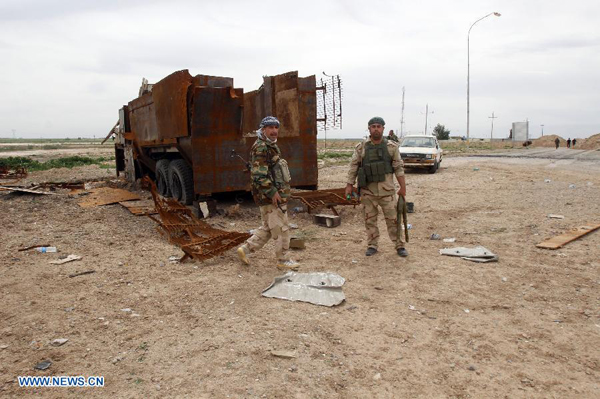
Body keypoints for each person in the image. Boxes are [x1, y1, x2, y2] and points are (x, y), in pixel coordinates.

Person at [237, 116, 299, 270]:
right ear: (263, 130)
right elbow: (258, 175)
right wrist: (272, 193)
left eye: (276, 127)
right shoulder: (261, 147)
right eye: (270, 128)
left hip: (270, 195)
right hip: (270, 197)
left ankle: (245, 249)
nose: (274, 131)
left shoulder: (269, 146)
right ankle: (283, 261)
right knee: (281, 228)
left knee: (268, 227)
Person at [345, 117, 408, 257]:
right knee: (370, 220)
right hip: (368, 192)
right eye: (373, 126)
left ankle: (399, 245)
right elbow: (353, 167)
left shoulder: (391, 147)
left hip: (387, 192)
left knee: (394, 220)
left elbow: (398, 168)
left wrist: (403, 188)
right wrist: (349, 185)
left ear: (383, 129)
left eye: (378, 126)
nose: (376, 129)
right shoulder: (361, 148)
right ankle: (372, 245)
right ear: (369, 129)